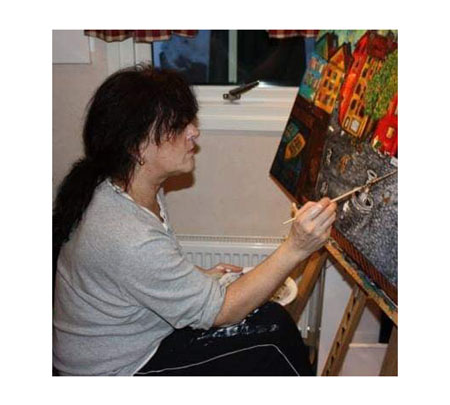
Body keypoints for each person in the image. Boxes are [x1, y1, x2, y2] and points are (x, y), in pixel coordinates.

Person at [53, 64, 337, 376]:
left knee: (271, 322)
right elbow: (223, 312)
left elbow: (136, 277)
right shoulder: (127, 235)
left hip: (134, 343)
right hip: (114, 370)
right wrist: (296, 247)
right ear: (137, 148)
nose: (194, 132)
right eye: (178, 125)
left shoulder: (126, 186)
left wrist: (195, 279)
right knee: (273, 341)